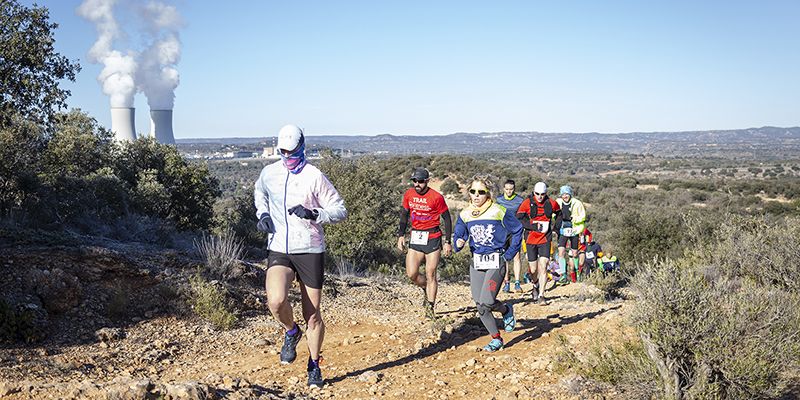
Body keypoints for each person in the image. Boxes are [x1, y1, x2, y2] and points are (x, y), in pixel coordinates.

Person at [254, 124, 347, 389]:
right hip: (279, 247)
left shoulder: (314, 175)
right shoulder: (269, 173)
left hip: (309, 248)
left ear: (303, 147)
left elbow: (340, 209)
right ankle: (291, 332)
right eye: (283, 152)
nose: (288, 158)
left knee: (313, 314)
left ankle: (314, 364)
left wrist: (315, 213)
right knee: (275, 300)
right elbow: (259, 193)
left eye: (293, 152)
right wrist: (262, 215)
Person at [453, 175, 523, 352]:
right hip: (476, 262)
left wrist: (510, 253)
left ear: (489, 194)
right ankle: (496, 338)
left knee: (487, 300)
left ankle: (506, 310)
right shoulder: (465, 214)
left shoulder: (499, 211)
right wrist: (458, 242)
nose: (476, 195)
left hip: (495, 261)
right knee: (480, 305)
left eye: (481, 192)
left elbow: (517, 229)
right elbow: (459, 235)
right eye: (473, 191)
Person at [397, 167, 452, 319]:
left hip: (433, 237)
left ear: (427, 181)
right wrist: (401, 235)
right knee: (411, 273)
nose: (417, 184)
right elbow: (404, 215)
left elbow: (447, 218)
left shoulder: (436, 197)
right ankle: (425, 287)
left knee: (431, 273)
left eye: (420, 181)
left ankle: (430, 307)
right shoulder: (409, 194)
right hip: (416, 236)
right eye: (414, 181)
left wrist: (447, 241)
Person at [516, 181, 560, 304]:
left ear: (546, 193)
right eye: (537, 194)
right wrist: (531, 225)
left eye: (542, 194)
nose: (540, 196)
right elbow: (518, 216)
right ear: (533, 192)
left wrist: (556, 228)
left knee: (543, 265)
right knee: (533, 269)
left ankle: (541, 295)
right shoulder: (527, 203)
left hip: (545, 238)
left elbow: (559, 213)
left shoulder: (552, 203)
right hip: (530, 239)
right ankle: (535, 285)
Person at [495, 179, 525, 294]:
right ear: (503, 189)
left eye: (511, 189)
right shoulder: (499, 200)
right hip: (502, 232)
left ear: (514, 189)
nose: (509, 191)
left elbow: (523, 215)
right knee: (505, 257)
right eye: (507, 189)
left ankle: (517, 283)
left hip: (515, 232)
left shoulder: (519, 201)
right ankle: (506, 283)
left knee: (516, 256)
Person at [555, 185, 586, 284]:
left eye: (567, 194)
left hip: (574, 229)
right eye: (563, 194)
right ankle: (563, 275)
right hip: (562, 229)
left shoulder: (577, 203)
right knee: (561, 251)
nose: (565, 196)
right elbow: (552, 213)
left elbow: (583, 216)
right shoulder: (558, 202)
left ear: (570, 194)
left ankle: (578, 272)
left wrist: (575, 219)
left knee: (575, 253)